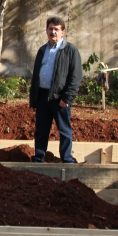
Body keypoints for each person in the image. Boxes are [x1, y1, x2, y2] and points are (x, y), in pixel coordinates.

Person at [29, 16, 82, 164]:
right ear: (46, 31)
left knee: (64, 130)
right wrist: (34, 98)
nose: (53, 32)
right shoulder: (42, 50)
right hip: (42, 96)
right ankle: (39, 159)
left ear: (63, 32)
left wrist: (67, 97)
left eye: (57, 29)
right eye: (51, 29)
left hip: (60, 98)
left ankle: (67, 160)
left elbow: (76, 76)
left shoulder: (70, 50)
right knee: (41, 131)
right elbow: (36, 75)